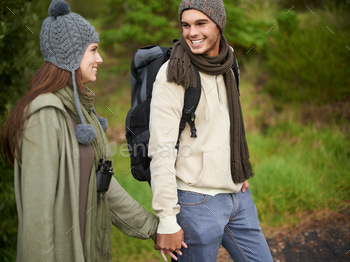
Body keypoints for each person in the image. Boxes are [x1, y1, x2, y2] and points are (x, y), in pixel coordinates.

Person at [0, 0, 159, 261]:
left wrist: (154, 228)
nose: (100, 58)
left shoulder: (80, 113)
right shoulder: (46, 115)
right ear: (71, 56)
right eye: (93, 50)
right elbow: (37, 217)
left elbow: (104, 185)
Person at [148, 0, 273, 261]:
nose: (192, 32)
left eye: (201, 23)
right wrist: (168, 219)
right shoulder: (172, 73)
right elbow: (160, 150)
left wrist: (237, 168)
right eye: (186, 25)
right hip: (195, 203)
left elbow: (228, 125)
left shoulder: (228, 63)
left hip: (238, 195)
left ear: (219, 23)